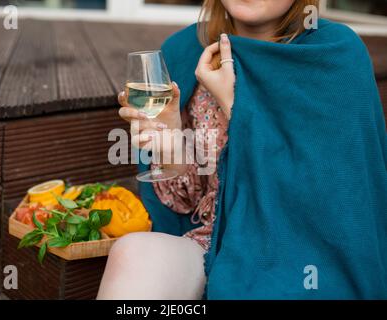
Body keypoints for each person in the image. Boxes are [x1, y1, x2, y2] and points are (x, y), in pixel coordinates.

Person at [97, 0, 387, 299]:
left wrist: (236, 107)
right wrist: (171, 147)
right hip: (213, 243)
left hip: (296, 252)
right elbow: (192, 205)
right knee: (133, 253)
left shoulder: (332, 52)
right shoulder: (184, 49)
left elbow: (329, 199)